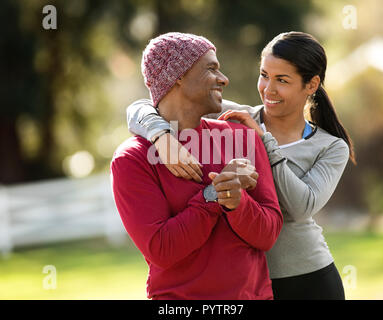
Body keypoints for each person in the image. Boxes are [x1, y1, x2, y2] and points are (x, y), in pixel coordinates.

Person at [126, 31, 355, 300]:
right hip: (250, 284)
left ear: (311, 84)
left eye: (282, 80)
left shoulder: (331, 146)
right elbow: (148, 103)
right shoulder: (234, 117)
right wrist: (160, 136)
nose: (268, 89)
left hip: (308, 278)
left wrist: (264, 142)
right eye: (264, 75)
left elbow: (300, 206)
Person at [111, 32, 283, 300]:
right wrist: (214, 195)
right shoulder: (132, 158)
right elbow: (162, 250)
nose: (224, 79)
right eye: (211, 68)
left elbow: (268, 235)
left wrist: (239, 203)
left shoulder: (241, 137)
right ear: (177, 76)